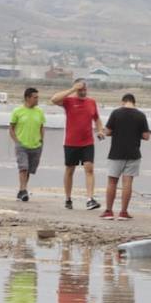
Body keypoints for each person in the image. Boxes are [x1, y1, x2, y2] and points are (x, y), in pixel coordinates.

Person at [50, 78, 103, 210]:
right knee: (70, 170)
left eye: (85, 89)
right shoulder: (68, 101)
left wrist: (100, 130)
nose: (83, 92)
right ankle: (68, 198)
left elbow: (97, 118)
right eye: (80, 89)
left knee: (89, 168)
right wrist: (73, 89)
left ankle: (90, 199)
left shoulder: (91, 102)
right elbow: (54, 99)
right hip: (71, 142)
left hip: (87, 142)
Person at [100, 93, 150, 221]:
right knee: (127, 183)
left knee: (112, 182)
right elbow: (146, 136)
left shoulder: (116, 113)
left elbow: (108, 131)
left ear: (123, 101)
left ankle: (109, 211)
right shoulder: (141, 115)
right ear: (134, 102)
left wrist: (114, 131)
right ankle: (123, 212)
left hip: (116, 153)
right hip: (133, 154)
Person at [8, 87, 45, 202]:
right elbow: (11, 128)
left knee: (29, 170)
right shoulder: (17, 111)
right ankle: (24, 191)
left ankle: (21, 190)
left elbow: (42, 127)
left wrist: (41, 141)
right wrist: (17, 141)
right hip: (22, 145)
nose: (37, 99)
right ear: (27, 98)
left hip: (35, 146)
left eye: (38, 97)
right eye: (35, 97)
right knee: (23, 167)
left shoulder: (40, 112)